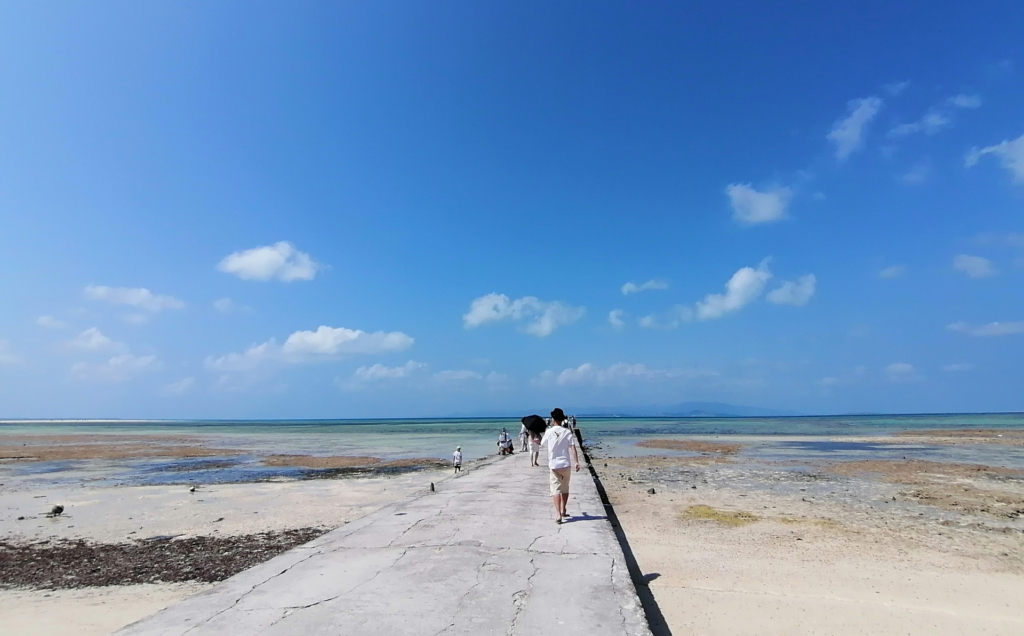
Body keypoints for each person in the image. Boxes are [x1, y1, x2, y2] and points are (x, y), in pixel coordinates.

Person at [540, 408, 581, 523]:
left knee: (555, 490)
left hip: (554, 465)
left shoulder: (549, 431)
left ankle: (558, 514)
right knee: (565, 488)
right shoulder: (567, 432)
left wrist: (536, 439)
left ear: (553, 419)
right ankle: (563, 509)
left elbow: (543, 444)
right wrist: (576, 462)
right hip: (566, 464)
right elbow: (573, 447)